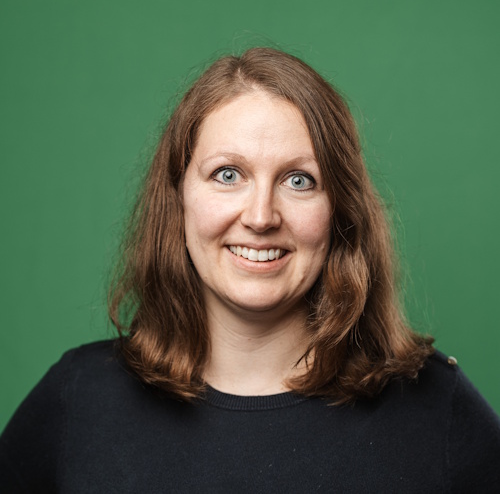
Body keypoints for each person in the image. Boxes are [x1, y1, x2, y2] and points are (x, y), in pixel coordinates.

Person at [1, 47, 499, 492]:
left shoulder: (438, 411)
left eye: (299, 180)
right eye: (228, 174)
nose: (261, 217)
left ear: (341, 211)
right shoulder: (77, 400)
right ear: (178, 197)